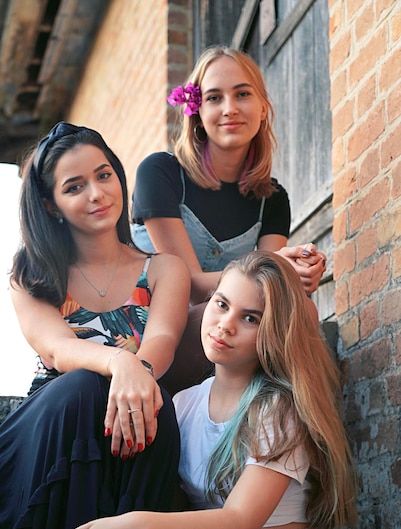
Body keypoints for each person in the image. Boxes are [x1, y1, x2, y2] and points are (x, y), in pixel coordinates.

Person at [74, 250, 358, 529]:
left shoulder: (278, 406)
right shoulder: (183, 404)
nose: (225, 325)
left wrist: (135, 524)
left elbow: (237, 524)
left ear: (275, 330)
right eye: (221, 304)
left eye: (250, 318)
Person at [0, 122, 190, 529]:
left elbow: (160, 343)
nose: (97, 194)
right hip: (51, 426)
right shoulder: (32, 273)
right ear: (52, 204)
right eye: (75, 186)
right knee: (82, 389)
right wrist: (120, 361)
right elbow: (57, 349)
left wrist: (137, 371)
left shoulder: (164, 269)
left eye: (104, 176)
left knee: (155, 415)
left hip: (131, 416)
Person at [130, 45, 327, 394]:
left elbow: (269, 289)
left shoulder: (273, 200)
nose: (230, 109)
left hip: (227, 334)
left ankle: (288, 432)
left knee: (304, 312)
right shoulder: (160, 174)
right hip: (157, 336)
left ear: (264, 107)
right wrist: (273, 265)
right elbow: (189, 285)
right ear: (197, 110)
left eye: (242, 94)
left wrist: (295, 273)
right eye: (214, 98)